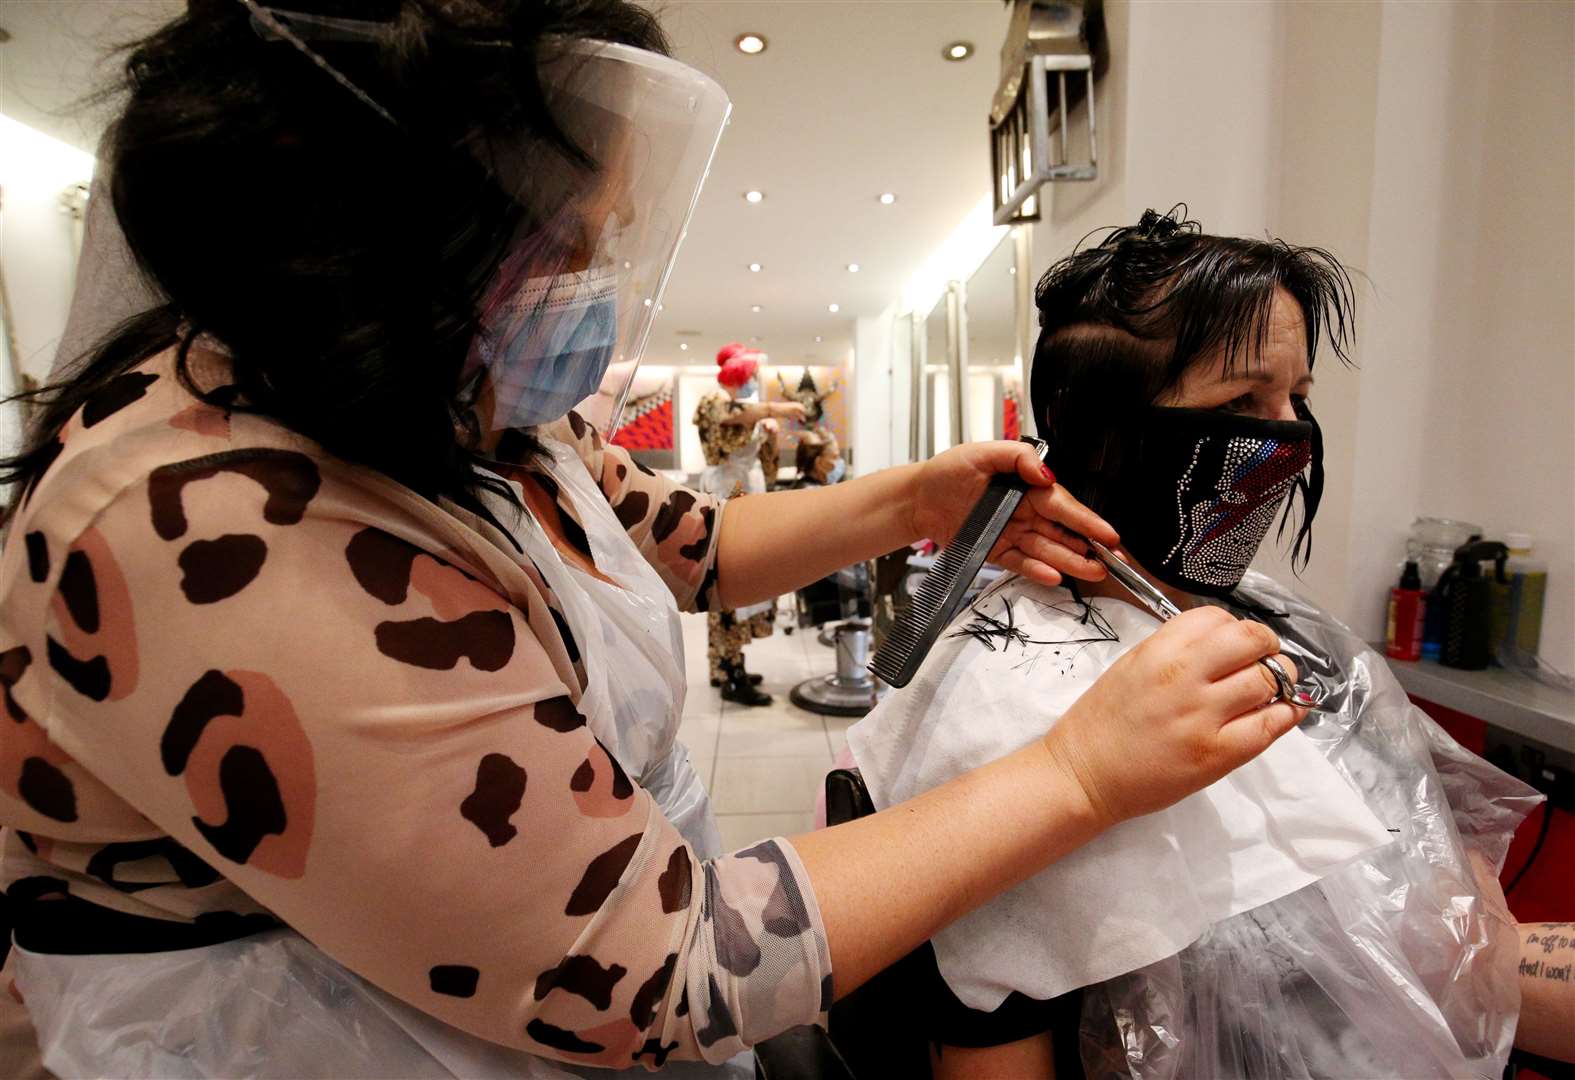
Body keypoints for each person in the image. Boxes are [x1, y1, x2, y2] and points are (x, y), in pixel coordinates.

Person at [0, 6, 1311, 1075]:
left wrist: (912, 501)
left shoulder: (441, 396)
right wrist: (1076, 775)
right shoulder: (208, 534)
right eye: (562, 246)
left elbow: (691, 541)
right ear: (377, 245)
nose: (592, 284)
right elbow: (649, 966)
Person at [845, 208, 1568, 1078]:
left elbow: (1444, 912)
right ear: (1100, 429)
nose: (1287, 438)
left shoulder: (1305, 640)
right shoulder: (1006, 689)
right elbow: (989, 1042)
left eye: (1296, 398)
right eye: (1239, 402)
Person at [692, 343, 802, 703]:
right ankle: (729, 673)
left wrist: (768, 434)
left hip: (746, 494)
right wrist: (773, 410)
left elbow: (767, 467)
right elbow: (730, 415)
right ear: (741, 375)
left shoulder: (747, 413)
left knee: (737, 582)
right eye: (753, 375)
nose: (756, 382)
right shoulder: (713, 402)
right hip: (726, 497)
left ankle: (726, 664)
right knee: (729, 584)